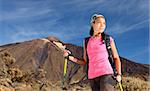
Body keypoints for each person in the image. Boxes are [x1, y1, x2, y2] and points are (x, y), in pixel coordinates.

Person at [64, 13, 122, 91]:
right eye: (99, 23)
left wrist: (119, 74)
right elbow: (85, 61)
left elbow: (116, 58)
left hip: (106, 74)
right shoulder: (86, 41)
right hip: (92, 77)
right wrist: (69, 57)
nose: (102, 25)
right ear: (93, 24)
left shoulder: (108, 39)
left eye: (104, 23)